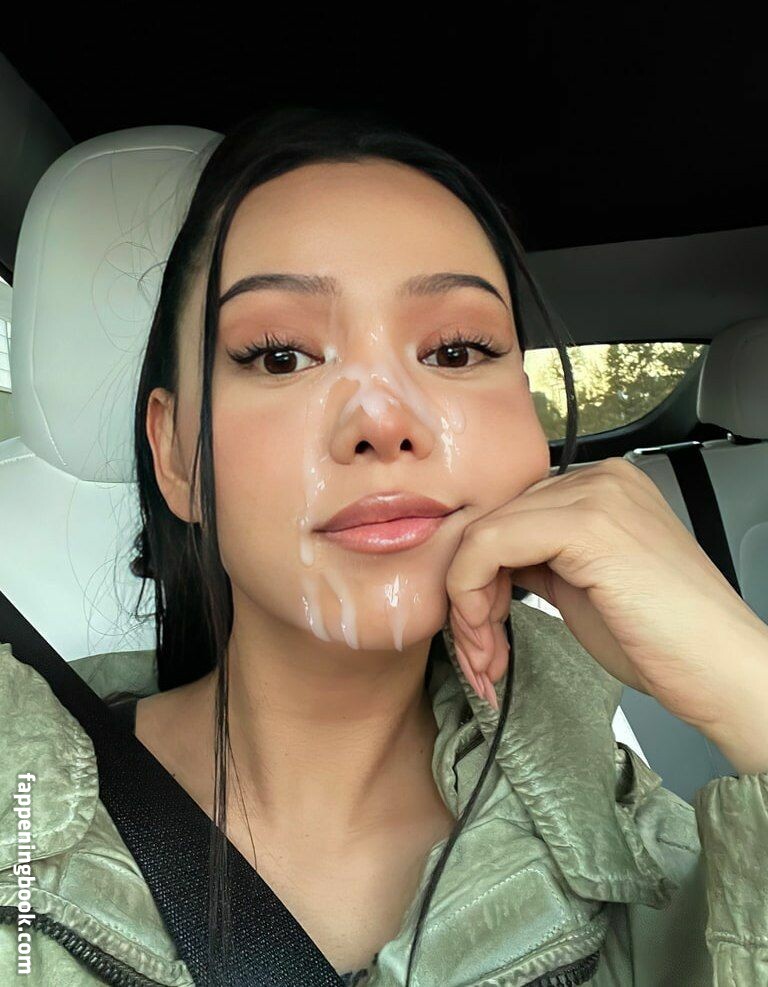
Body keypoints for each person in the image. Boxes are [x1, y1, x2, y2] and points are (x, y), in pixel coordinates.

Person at [1, 105, 767, 987]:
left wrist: (749, 684)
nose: (382, 419)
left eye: (457, 350)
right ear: (176, 455)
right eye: (280, 355)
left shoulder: (660, 871)